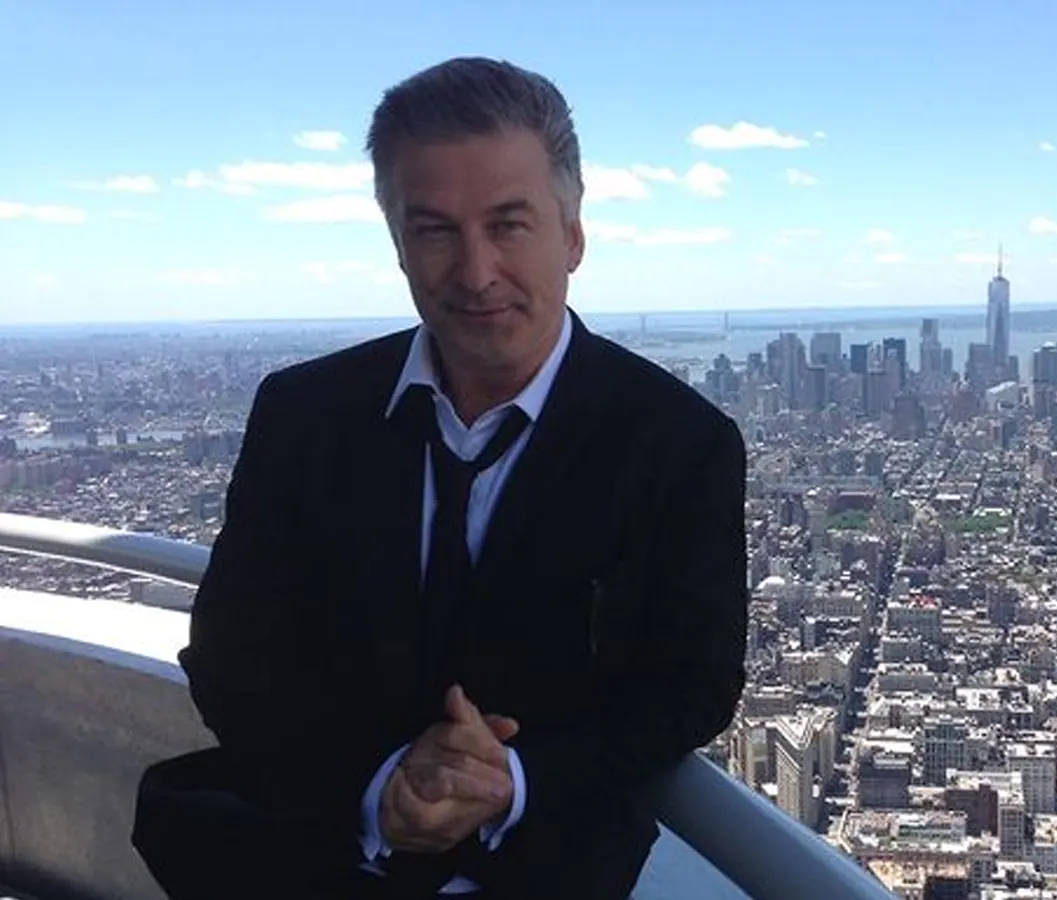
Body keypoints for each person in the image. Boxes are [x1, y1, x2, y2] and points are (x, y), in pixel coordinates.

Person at [131, 56, 749, 900]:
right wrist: (376, 788)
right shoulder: (305, 413)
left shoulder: (679, 442)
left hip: (543, 870)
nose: (476, 271)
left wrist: (513, 782)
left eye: (508, 225)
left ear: (572, 235)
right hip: (308, 855)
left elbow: (690, 685)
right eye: (434, 231)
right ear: (398, 247)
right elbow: (232, 653)